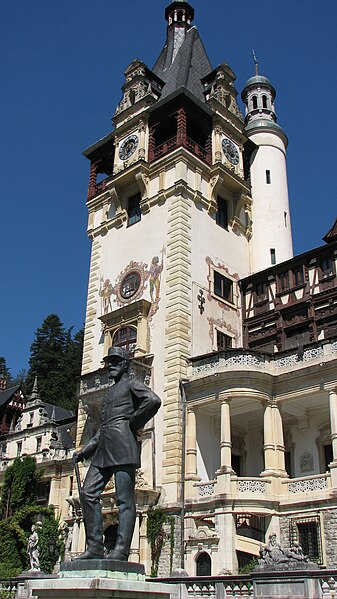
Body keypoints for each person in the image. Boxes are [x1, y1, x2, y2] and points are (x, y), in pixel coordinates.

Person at [73, 346, 161, 561]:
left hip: (123, 445)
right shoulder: (109, 393)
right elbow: (103, 429)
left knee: (124, 499)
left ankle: (121, 550)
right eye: (108, 362)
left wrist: (132, 423)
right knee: (87, 494)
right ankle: (94, 546)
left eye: (114, 362)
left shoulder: (131, 384)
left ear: (124, 365)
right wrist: (84, 451)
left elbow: (153, 400)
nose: (110, 366)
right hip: (104, 447)